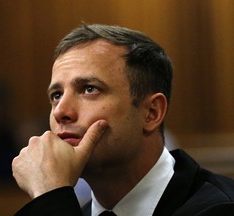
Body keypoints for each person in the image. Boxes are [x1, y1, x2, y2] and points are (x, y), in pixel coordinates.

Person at [12, 24, 234, 216]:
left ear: (151, 113)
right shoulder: (68, 210)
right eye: (56, 95)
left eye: (89, 89)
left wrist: (50, 195)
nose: (60, 111)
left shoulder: (220, 208)